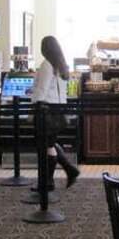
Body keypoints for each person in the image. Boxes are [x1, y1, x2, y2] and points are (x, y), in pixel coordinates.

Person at [31, 36, 80, 189]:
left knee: (46, 144)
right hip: (58, 109)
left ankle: (47, 182)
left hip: (46, 109)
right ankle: (67, 171)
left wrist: (33, 105)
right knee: (50, 142)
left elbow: (42, 89)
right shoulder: (61, 65)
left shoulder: (47, 64)